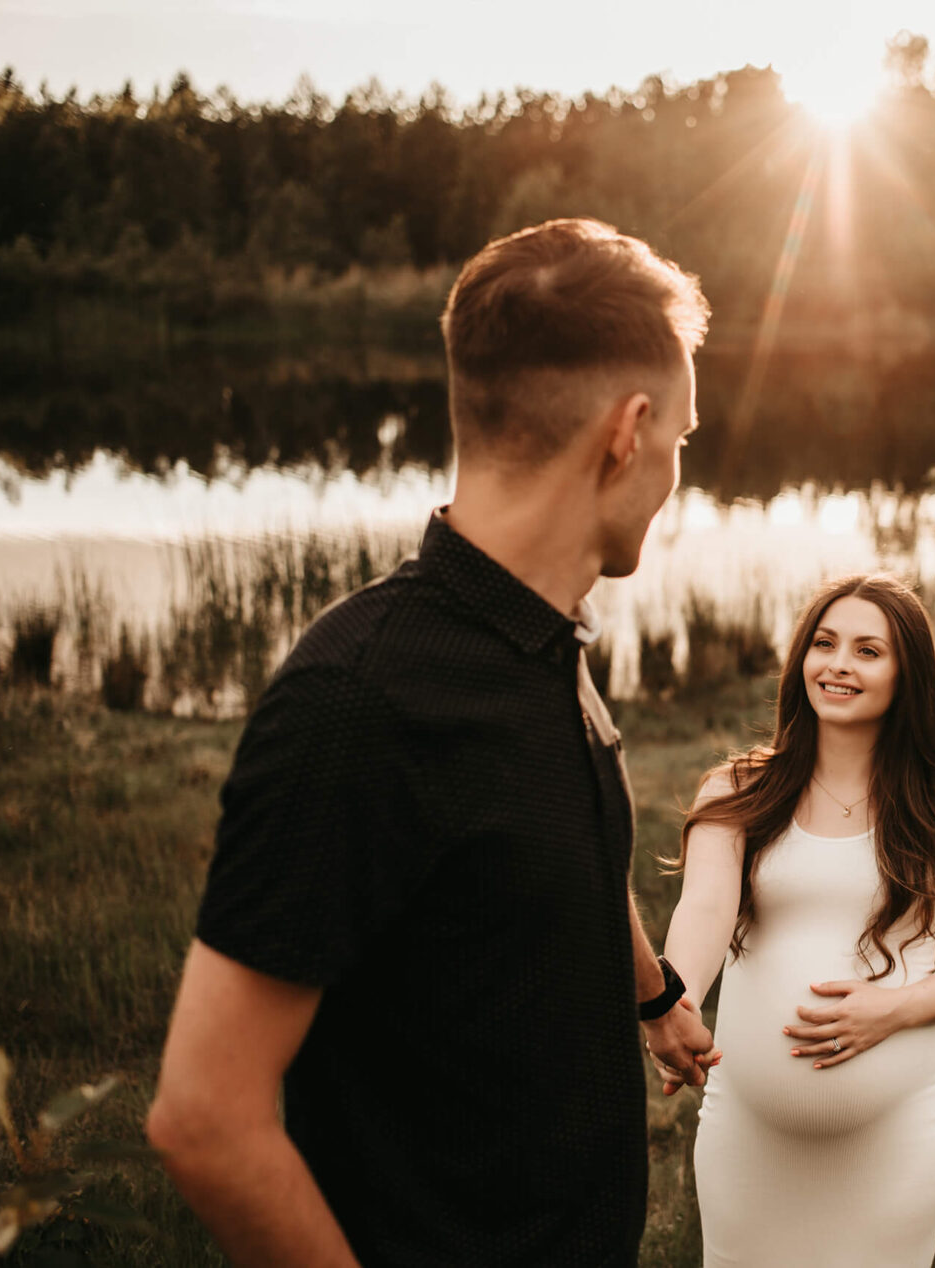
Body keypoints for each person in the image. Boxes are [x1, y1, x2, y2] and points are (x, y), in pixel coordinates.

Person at [146, 219, 721, 1267]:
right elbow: (204, 1115)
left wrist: (652, 994)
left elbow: (540, 858)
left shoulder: (544, 637)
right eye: (681, 440)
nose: (676, 471)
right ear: (627, 431)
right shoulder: (358, 701)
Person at [658, 573, 935, 1267]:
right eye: (824, 643)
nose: (839, 664)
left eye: (867, 650)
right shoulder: (738, 789)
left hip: (899, 1136)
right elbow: (704, 908)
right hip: (749, 1140)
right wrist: (678, 1001)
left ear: (906, 675)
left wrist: (894, 1009)